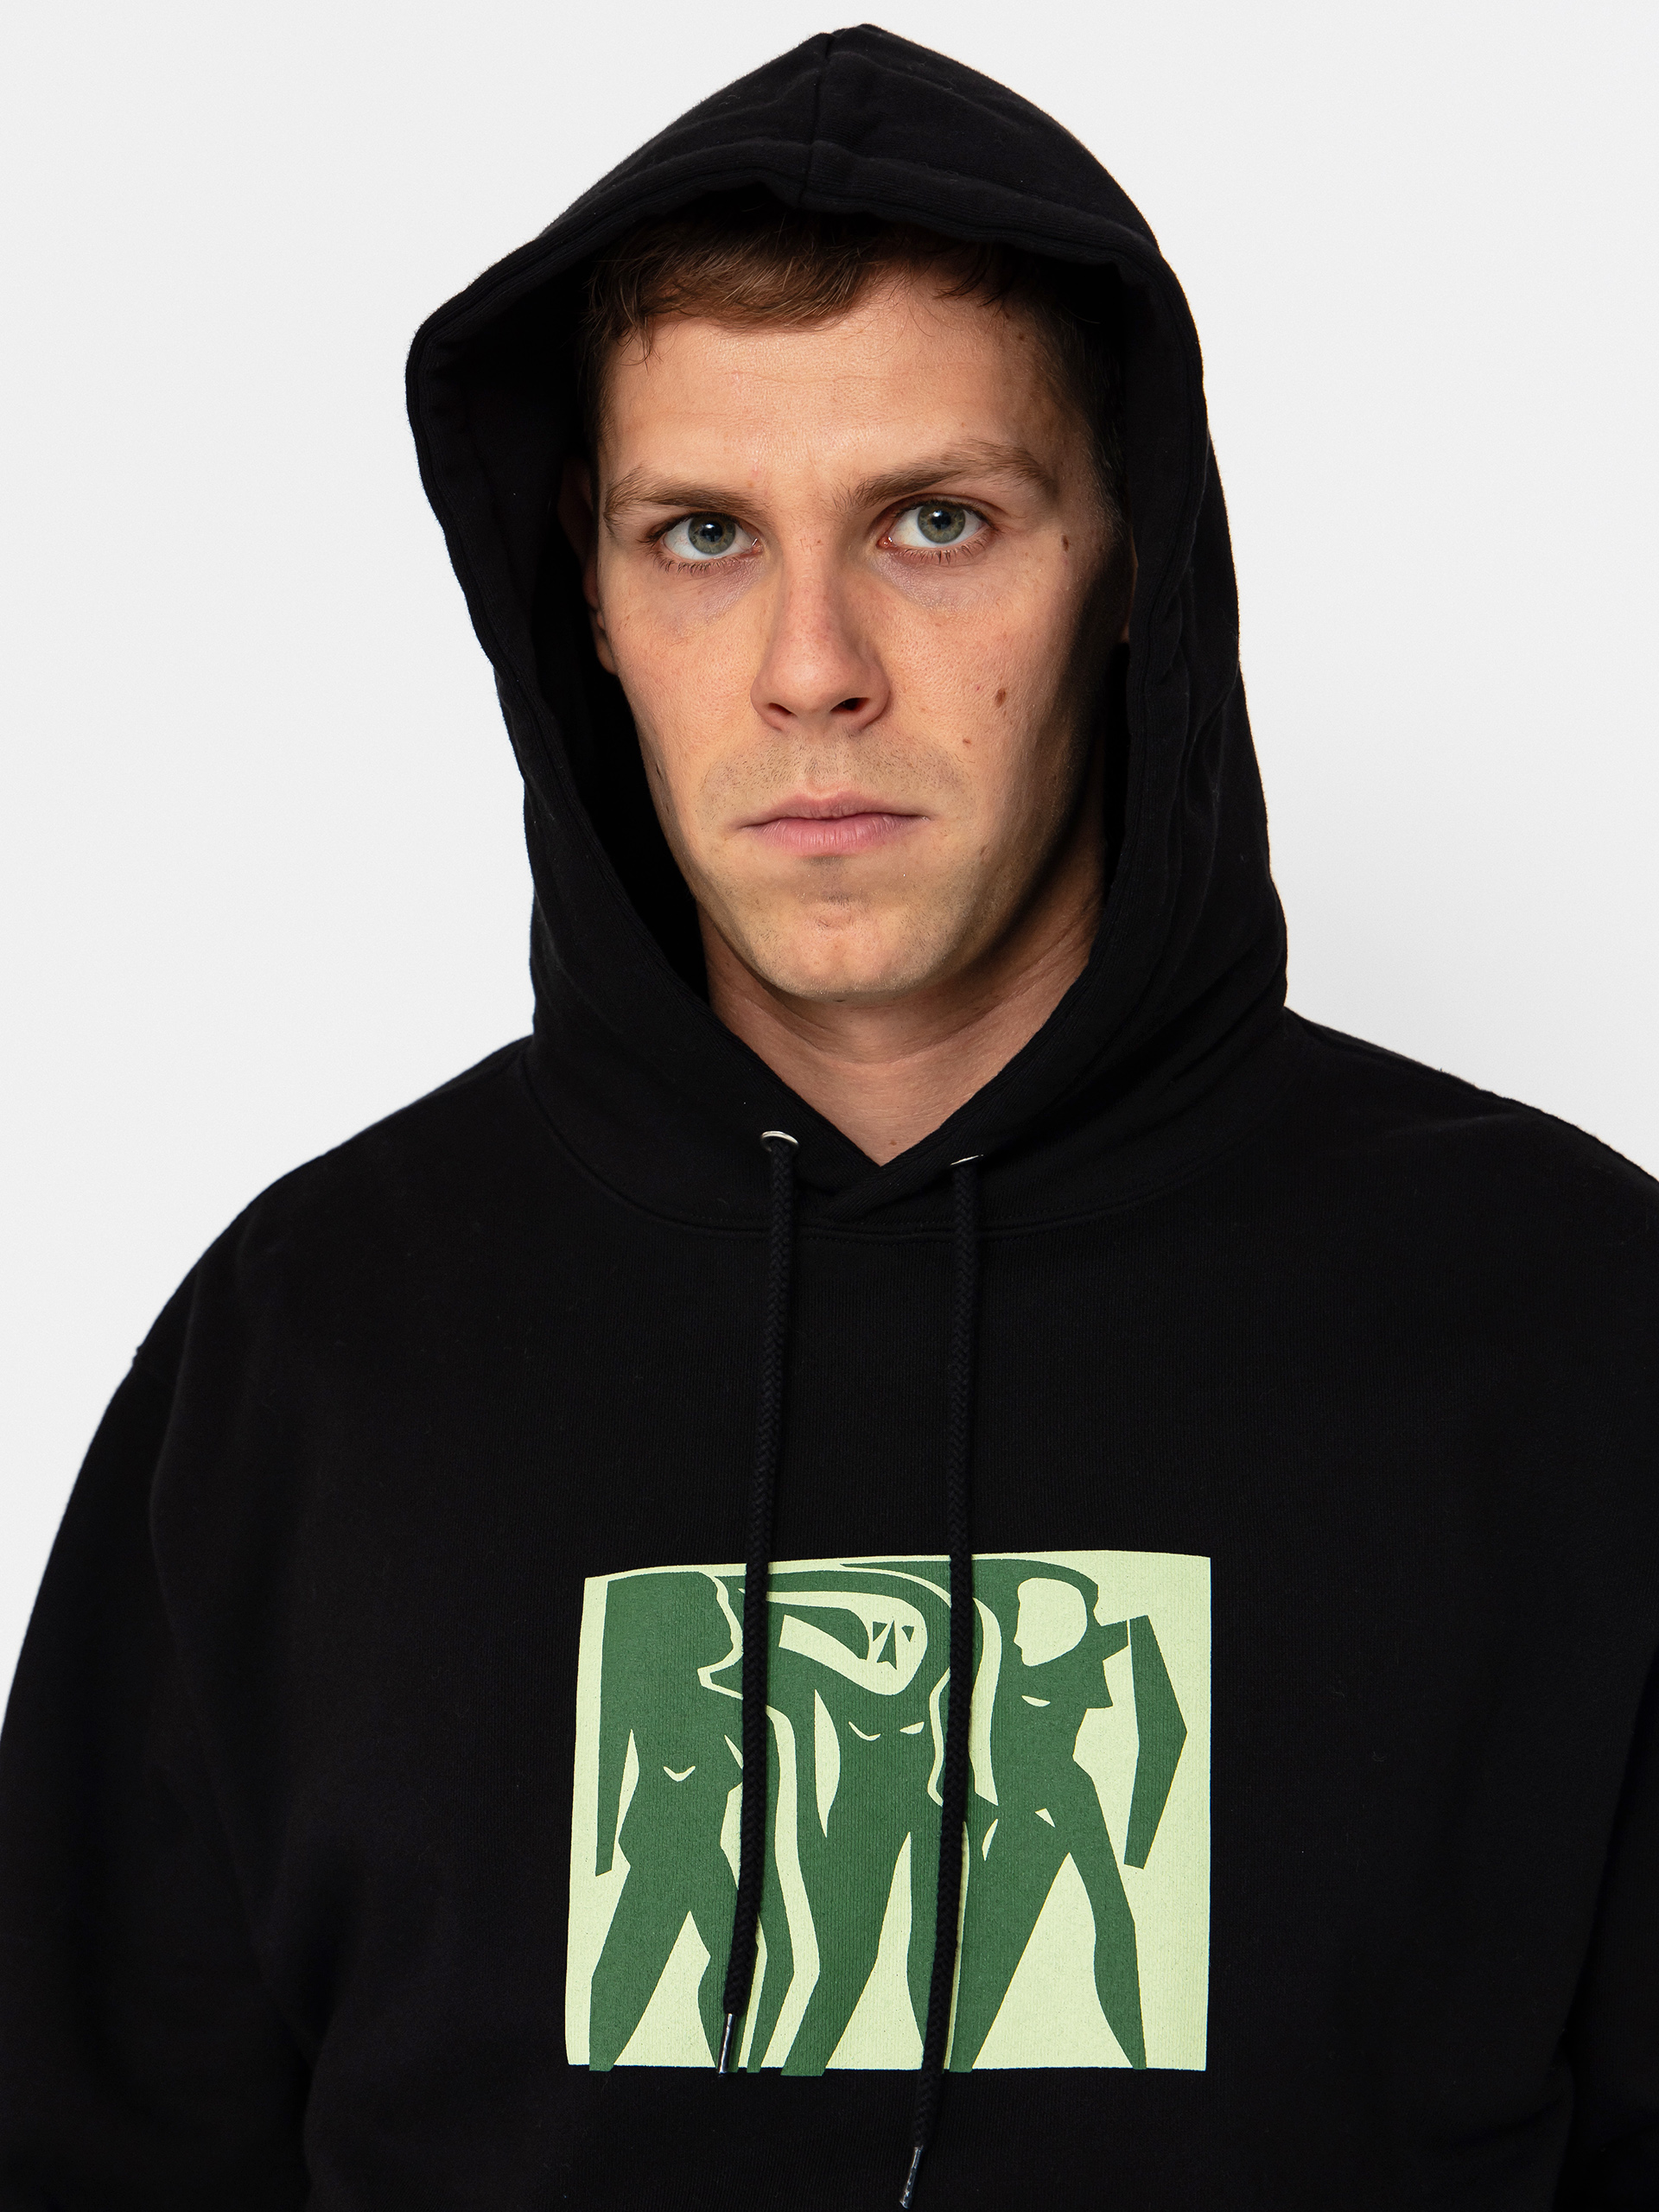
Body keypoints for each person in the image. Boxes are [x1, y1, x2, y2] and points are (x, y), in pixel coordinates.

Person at [0, 23, 1655, 2211]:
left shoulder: (1568, 1322)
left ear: (1134, 562)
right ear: (586, 597)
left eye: (936, 520)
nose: (812, 666)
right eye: (701, 533)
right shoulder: (310, 1350)